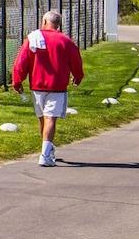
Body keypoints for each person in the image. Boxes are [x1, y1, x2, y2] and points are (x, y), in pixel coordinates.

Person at [11, 9, 85, 166]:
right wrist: (78, 77)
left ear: (44, 21)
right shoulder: (65, 41)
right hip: (57, 86)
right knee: (50, 118)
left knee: (43, 119)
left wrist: (17, 81)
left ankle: (47, 150)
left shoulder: (33, 38)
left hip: (37, 86)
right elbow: (76, 61)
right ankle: (45, 155)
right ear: (58, 24)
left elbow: (21, 62)